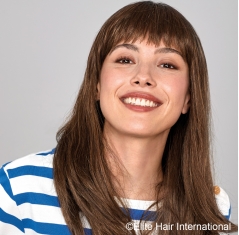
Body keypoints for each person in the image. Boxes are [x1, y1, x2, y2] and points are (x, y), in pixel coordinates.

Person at [0, 1, 237, 235]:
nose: (143, 77)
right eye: (125, 60)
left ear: (188, 97)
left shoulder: (212, 209)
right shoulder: (18, 189)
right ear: (96, 84)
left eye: (167, 64)